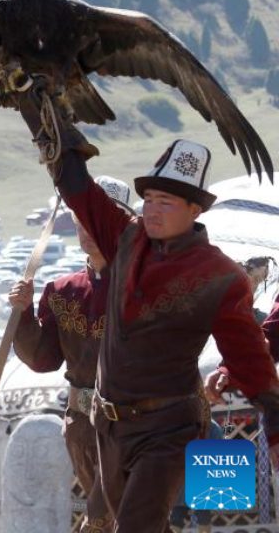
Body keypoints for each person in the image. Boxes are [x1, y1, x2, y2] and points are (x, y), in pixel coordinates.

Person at [21, 98, 279, 531]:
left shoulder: (220, 276)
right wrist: (40, 114)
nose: (154, 209)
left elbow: (252, 358)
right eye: (151, 199)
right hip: (106, 427)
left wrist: (274, 432)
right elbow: (79, 189)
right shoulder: (125, 240)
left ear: (195, 210)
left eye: (168, 202)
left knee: (140, 526)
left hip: (169, 428)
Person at [7, 175, 131, 532]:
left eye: (95, 220)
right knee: (114, 514)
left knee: (117, 514)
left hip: (134, 423)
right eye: (80, 220)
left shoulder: (143, 286)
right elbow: (43, 359)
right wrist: (25, 312)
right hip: (81, 426)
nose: (87, 229)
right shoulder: (62, 291)